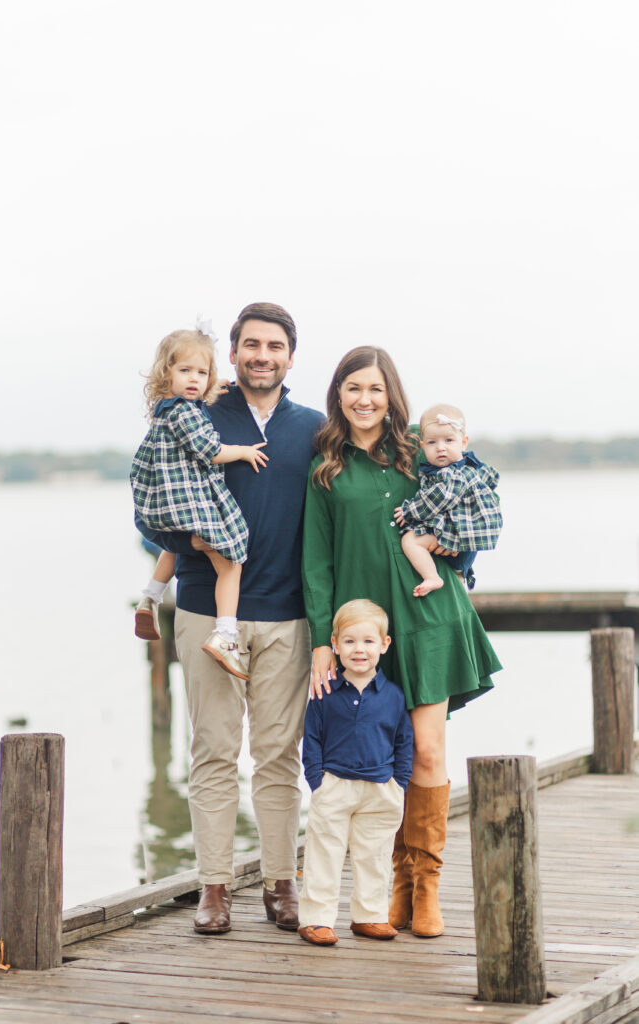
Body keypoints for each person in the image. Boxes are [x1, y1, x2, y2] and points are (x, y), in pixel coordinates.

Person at [135, 302, 323, 935]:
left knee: (278, 756)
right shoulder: (196, 414)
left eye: (274, 346)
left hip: (288, 617)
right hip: (203, 609)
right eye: (251, 345)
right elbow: (150, 503)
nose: (262, 356)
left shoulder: (313, 428)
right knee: (213, 751)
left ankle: (280, 883)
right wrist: (188, 544)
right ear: (234, 353)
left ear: (290, 357)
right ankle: (212, 887)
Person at [302, 347, 502, 939]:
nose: (365, 399)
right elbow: (315, 562)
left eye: (376, 389)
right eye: (353, 388)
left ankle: (425, 884)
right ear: (338, 395)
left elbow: (481, 493)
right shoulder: (325, 468)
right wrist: (322, 641)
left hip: (430, 615)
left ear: (392, 396)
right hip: (366, 631)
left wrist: (455, 548)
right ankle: (395, 883)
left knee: (429, 751)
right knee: (377, 755)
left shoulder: (421, 448)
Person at [130, 321, 268, 679]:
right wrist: (242, 451)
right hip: (189, 500)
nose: (194, 379)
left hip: (170, 504)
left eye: (202, 373)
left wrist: (210, 388)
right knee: (231, 562)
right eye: (185, 371)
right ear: (167, 373)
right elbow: (210, 449)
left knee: (175, 546)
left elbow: (195, 402)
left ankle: (151, 596)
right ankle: (225, 634)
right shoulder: (187, 413)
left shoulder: (167, 408)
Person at [298, 599, 414, 947]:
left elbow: (403, 741)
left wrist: (398, 783)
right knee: (324, 854)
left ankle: (370, 915)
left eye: (367, 641)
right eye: (349, 641)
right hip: (334, 785)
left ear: (384, 644)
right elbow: (312, 738)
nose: (359, 649)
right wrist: (318, 782)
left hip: (381, 788)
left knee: (375, 856)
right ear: (334, 644)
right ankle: (317, 919)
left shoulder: (393, 695)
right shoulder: (324, 691)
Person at [393, 403, 502, 596]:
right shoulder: (471, 468)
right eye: (432, 443)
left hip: (460, 533)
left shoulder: (453, 474)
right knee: (457, 581)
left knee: (410, 541)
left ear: (463, 442)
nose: (440, 448)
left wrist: (409, 511)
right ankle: (458, 580)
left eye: (449, 440)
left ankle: (432, 577)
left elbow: (439, 498)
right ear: (422, 446)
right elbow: (491, 478)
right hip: (465, 537)